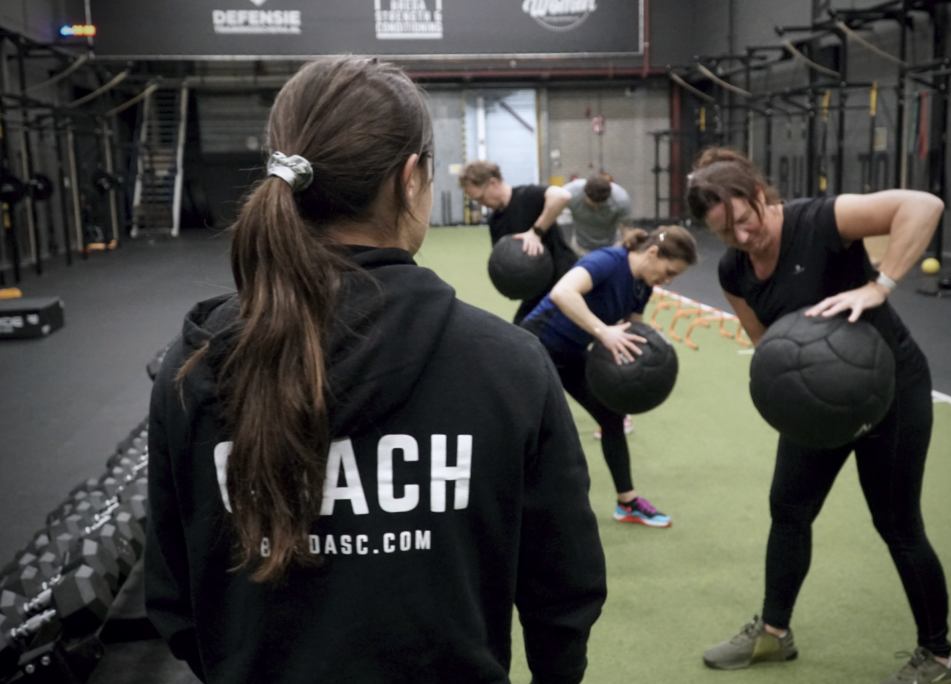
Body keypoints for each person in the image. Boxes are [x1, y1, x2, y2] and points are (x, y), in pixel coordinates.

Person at [145, 57, 606, 684]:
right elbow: (566, 592)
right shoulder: (509, 365)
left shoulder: (190, 368)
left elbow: (174, 602)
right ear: (410, 178)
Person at [686, 148, 951, 684]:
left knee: (898, 525)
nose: (743, 237)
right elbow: (769, 348)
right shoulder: (734, 270)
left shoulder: (820, 220)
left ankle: (939, 657)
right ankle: (773, 633)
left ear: (761, 195)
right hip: (818, 403)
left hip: (890, 392)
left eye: (746, 220)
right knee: (787, 509)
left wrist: (878, 284)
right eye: (726, 232)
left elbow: (923, 205)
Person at [520, 226, 697, 528]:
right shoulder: (607, 261)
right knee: (533, 430)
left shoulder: (643, 285)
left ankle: (627, 504)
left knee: (612, 416)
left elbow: (633, 329)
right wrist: (603, 331)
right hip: (533, 350)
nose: (668, 280)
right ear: (653, 253)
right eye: (669, 272)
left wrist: (649, 360)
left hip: (572, 354)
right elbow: (563, 293)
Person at [458, 161, 577, 324]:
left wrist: (536, 232)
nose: (480, 204)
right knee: (521, 330)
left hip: (567, 281)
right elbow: (506, 263)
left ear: (493, 183)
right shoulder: (495, 221)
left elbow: (562, 196)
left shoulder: (527, 195)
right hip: (537, 291)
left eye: (480, 198)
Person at [563, 174, 632, 257]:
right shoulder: (571, 192)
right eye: (592, 203)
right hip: (580, 248)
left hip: (612, 247)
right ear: (585, 194)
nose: (595, 208)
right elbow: (551, 204)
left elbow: (626, 230)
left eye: (599, 205)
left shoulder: (620, 199)